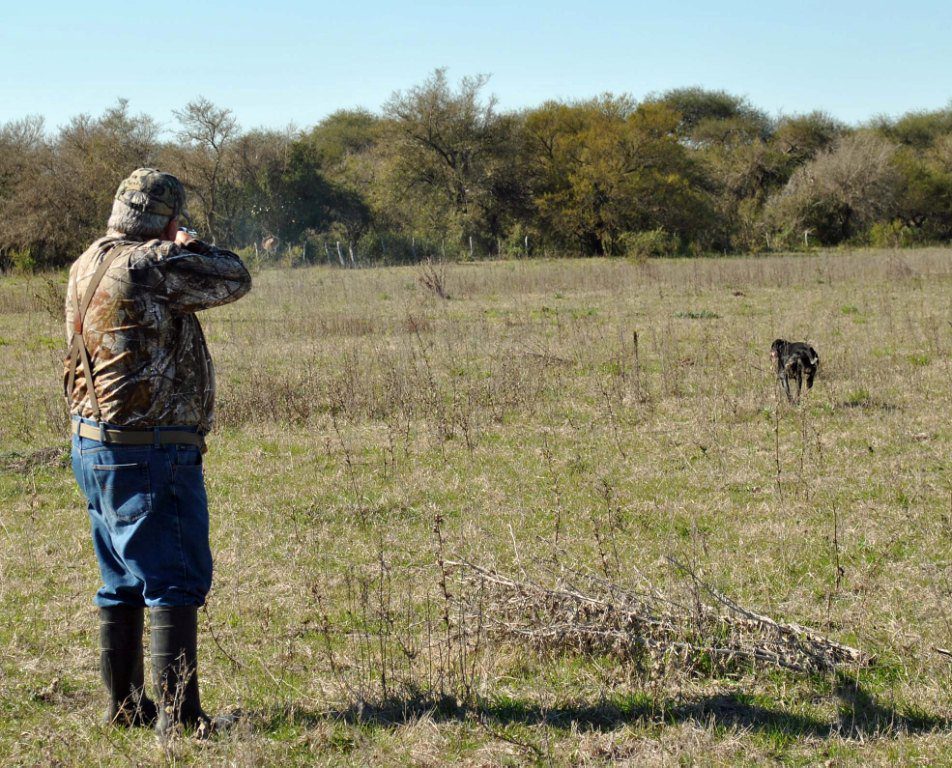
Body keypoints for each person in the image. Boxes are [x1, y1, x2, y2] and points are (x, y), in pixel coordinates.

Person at [64, 168, 251, 736]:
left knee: (121, 579)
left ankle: (125, 708)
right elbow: (234, 278)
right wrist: (193, 245)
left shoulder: (88, 259)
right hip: (149, 448)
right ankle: (182, 718)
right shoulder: (149, 263)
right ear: (167, 220)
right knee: (174, 578)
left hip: (93, 443)